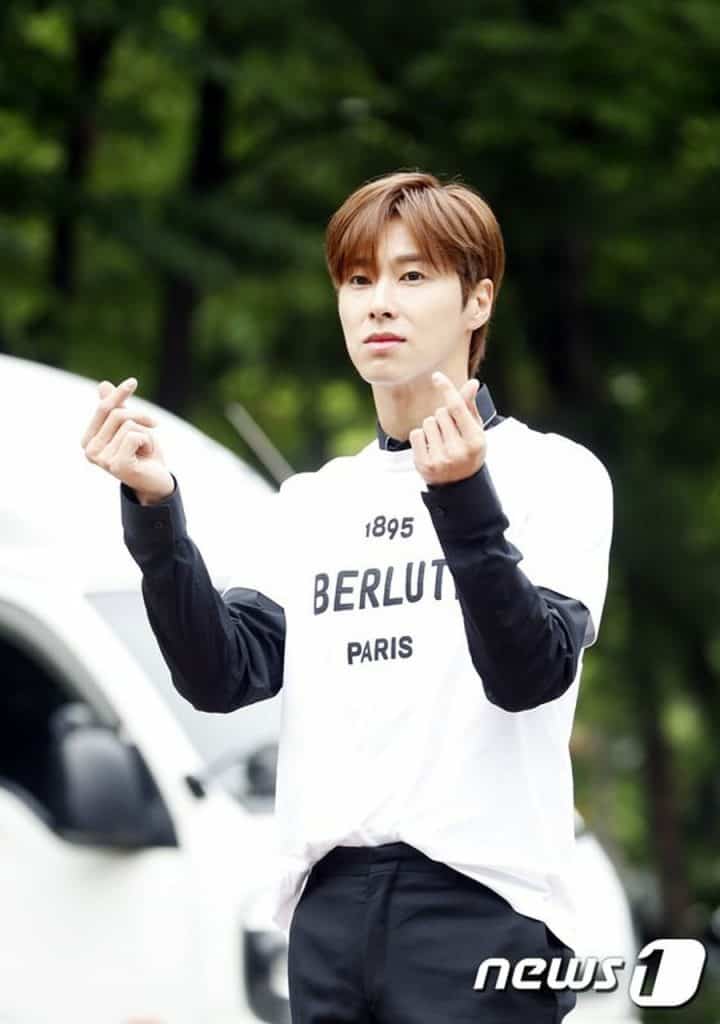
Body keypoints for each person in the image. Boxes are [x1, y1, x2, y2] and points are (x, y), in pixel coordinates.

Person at [81, 170, 613, 1022]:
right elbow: (222, 676)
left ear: (477, 301)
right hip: (326, 916)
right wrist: (154, 512)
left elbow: (528, 673)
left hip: (483, 911)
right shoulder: (316, 501)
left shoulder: (554, 474)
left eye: (412, 275)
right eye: (358, 280)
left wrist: (462, 499)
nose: (379, 303)